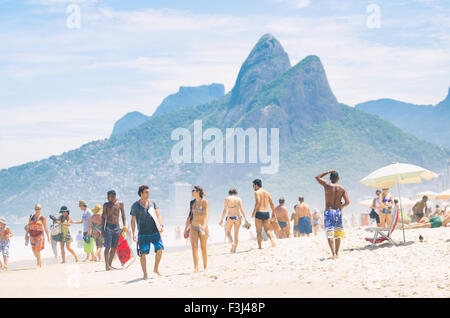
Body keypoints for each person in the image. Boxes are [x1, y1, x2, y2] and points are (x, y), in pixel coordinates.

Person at [130, 185, 164, 280]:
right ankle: (145, 274)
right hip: (143, 233)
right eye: (146, 192)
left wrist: (160, 225)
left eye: (148, 192)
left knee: (160, 249)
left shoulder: (152, 203)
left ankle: (156, 269)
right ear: (141, 193)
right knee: (143, 253)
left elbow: (158, 215)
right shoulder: (135, 206)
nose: (148, 194)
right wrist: (133, 233)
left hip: (154, 232)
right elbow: (133, 221)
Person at [315, 170, 350, 260]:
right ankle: (337, 253)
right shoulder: (342, 188)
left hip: (329, 211)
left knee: (330, 233)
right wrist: (341, 206)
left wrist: (327, 172)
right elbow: (347, 202)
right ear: (338, 178)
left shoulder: (327, 185)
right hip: (337, 212)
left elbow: (317, 177)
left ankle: (333, 253)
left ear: (330, 178)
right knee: (337, 233)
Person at [184, 185, 209, 273]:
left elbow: (206, 215)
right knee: (194, 247)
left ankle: (205, 266)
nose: (192, 192)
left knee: (203, 248)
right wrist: (185, 228)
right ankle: (196, 268)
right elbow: (190, 216)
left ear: (198, 191)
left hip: (202, 227)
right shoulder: (192, 203)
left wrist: (205, 225)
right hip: (193, 227)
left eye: (193, 190)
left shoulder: (205, 202)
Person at [102, 190, 127, 271]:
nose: (108, 198)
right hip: (108, 227)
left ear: (114, 196)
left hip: (117, 227)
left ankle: (109, 265)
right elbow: (103, 217)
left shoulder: (120, 204)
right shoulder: (106, 205)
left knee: (114, 247)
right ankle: (106, 265)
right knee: (107, 247)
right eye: (108, 196)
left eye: (109, 196)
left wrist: (124, 226)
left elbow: (123, 215)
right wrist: (102, 229)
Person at [251, 179, 276, 249]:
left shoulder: (257, 192)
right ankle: (272, 241)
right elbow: (272, 203)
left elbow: (258, 202)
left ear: (256, 185)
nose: (253, 187)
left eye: (253, 185)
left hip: (259, 212)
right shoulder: (267, 192)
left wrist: (254, 212)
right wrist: (273, 213)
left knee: (258, 232)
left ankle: (260, 247)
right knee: (267, 230)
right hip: (266, 213)